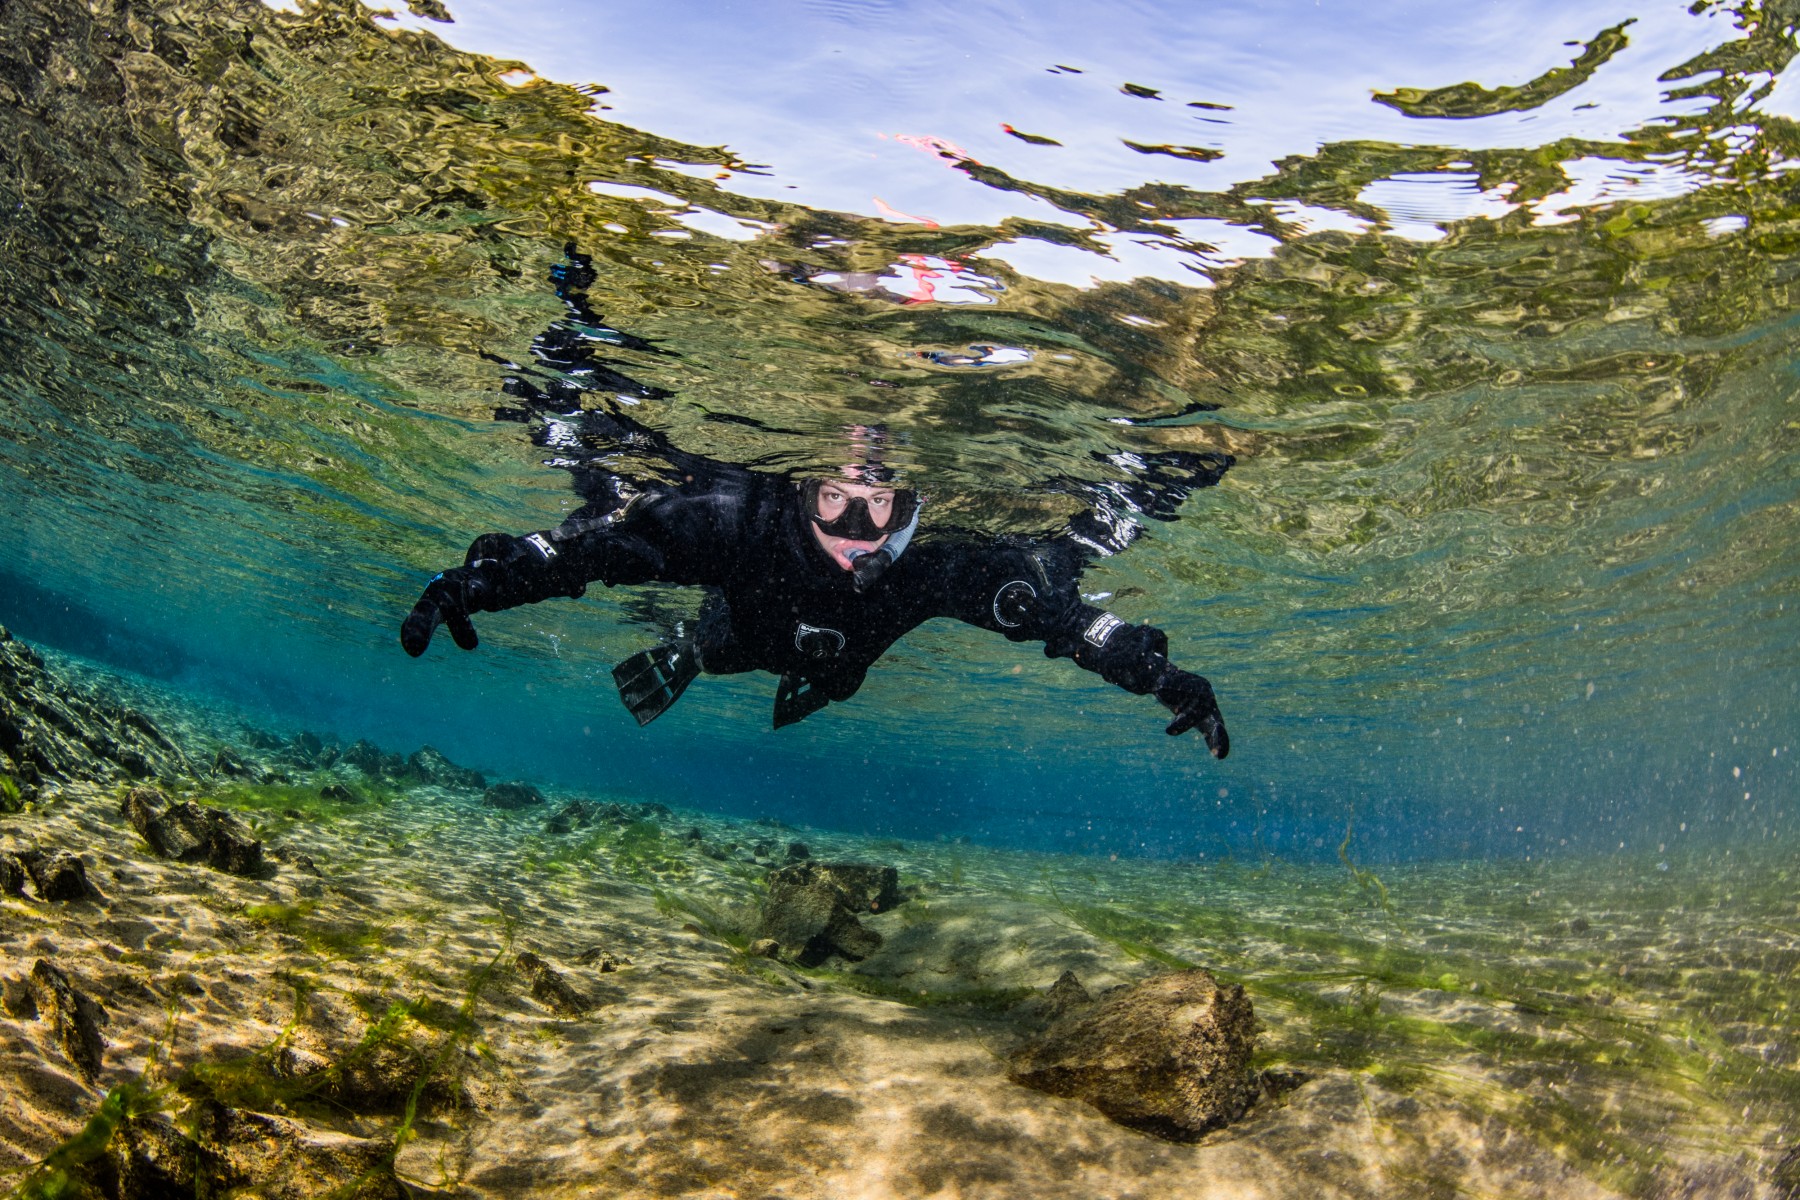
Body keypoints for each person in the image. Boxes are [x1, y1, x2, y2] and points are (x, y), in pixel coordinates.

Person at [397, 247, 1232, 755]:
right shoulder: (731, 522)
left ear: (919, 504)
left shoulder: (940, 567)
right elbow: (591, 553)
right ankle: (682, 645)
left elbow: (1066, 620)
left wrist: (1158, 674)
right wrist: (482, 580)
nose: (854, 533)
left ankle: (743, 661)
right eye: (832, 501)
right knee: (720, 644)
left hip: (835, 671)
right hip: (740, 629)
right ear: (801, 488)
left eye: (882, 509)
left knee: (832, 679)